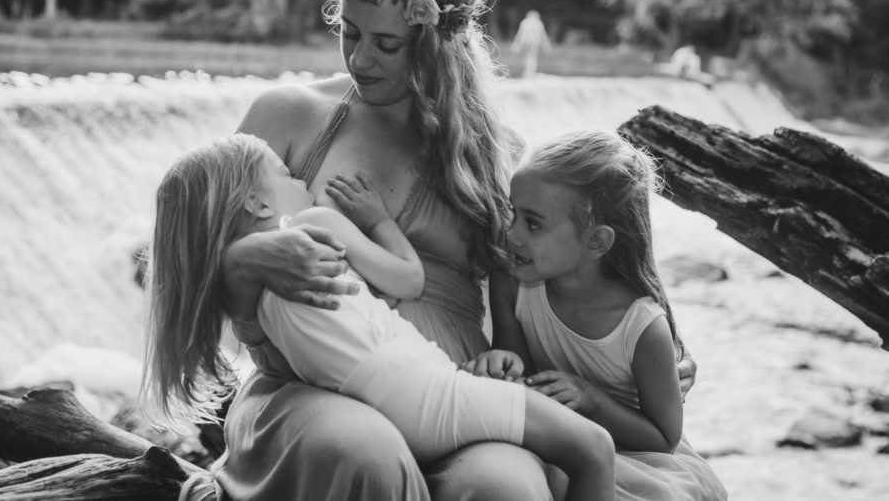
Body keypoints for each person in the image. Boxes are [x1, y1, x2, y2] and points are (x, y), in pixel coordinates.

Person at [208, 0, 697, 500]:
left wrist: (636, 361)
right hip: (307, 378)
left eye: (386, 44)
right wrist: (244, 264)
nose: (359, 60)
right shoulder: (285, 118)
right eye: (350, 32)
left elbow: (558, 276)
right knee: (363, 451)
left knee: (506, 488)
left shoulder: (497, 156)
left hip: (455, 383)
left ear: (440, 43)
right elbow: (190, 258)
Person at [144, 133, 616, 501]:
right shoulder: (316, 226)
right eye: (287, 175)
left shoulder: (253, 297)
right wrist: (376, 220)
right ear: (259, 204)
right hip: (434, 395)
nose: (303, 184)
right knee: (593, 449)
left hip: (392, 407)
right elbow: (409, 281)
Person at [465, 130, 728, 501]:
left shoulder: (641, 325)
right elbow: (518, 373)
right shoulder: (511, 281)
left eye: (533, 223)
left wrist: (590, 399)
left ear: (597, 242)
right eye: (514, 214)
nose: (512, 235)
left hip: (636, 461)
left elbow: (664, 438)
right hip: (553, 435)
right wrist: (500, 364)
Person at [512, 9, 552, 78]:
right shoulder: (538, 22)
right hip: (534, 42)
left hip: (526, 42)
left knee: (527, 57)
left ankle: (527, 72)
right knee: (532, 57)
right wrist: (547, 46)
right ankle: (531, 72)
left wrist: (516, 44)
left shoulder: (524, 22)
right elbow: (543, 35)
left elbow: (520, 34)